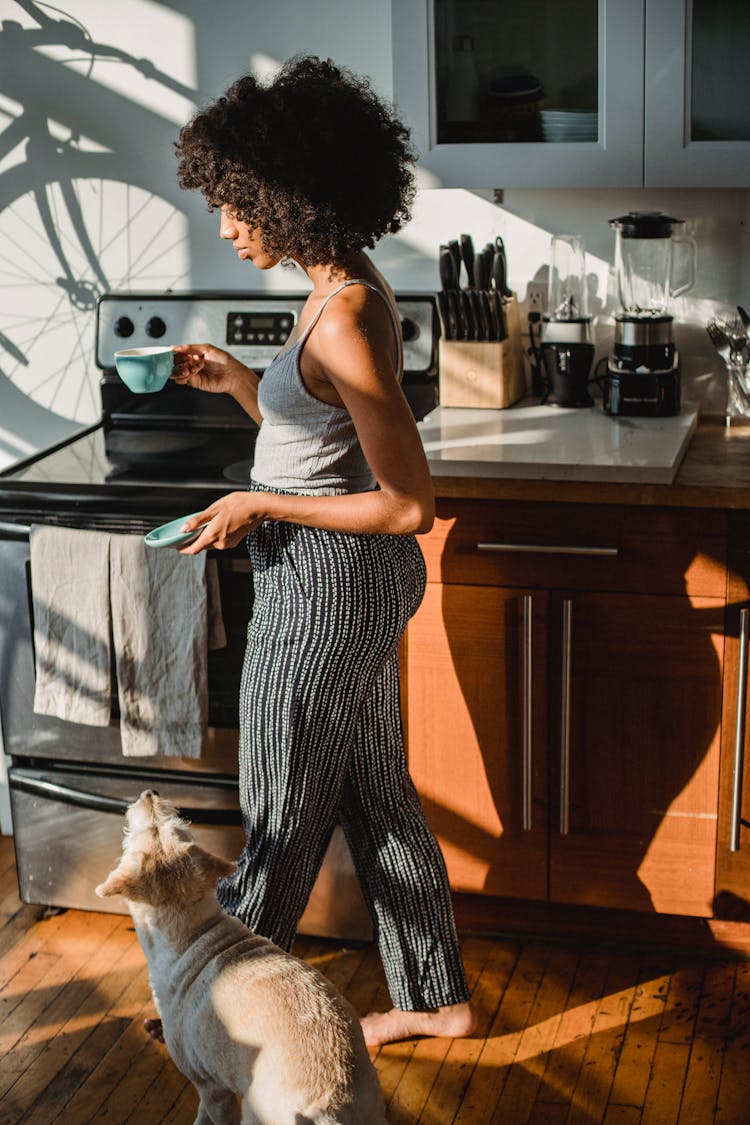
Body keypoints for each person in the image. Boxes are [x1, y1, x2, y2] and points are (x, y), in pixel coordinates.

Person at [157, 55, 477, 1048]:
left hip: (335, 583)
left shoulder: (343, 316)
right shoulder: (336, 291)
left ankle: (216, 1009)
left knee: (280, 803)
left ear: (285, 196)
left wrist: (258, 500)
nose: (224, 225)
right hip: (333, 576)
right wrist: (247, 386)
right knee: (376, 795)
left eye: (233, 205)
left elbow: (405, 505)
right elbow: (326, 449)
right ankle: (434, 997)